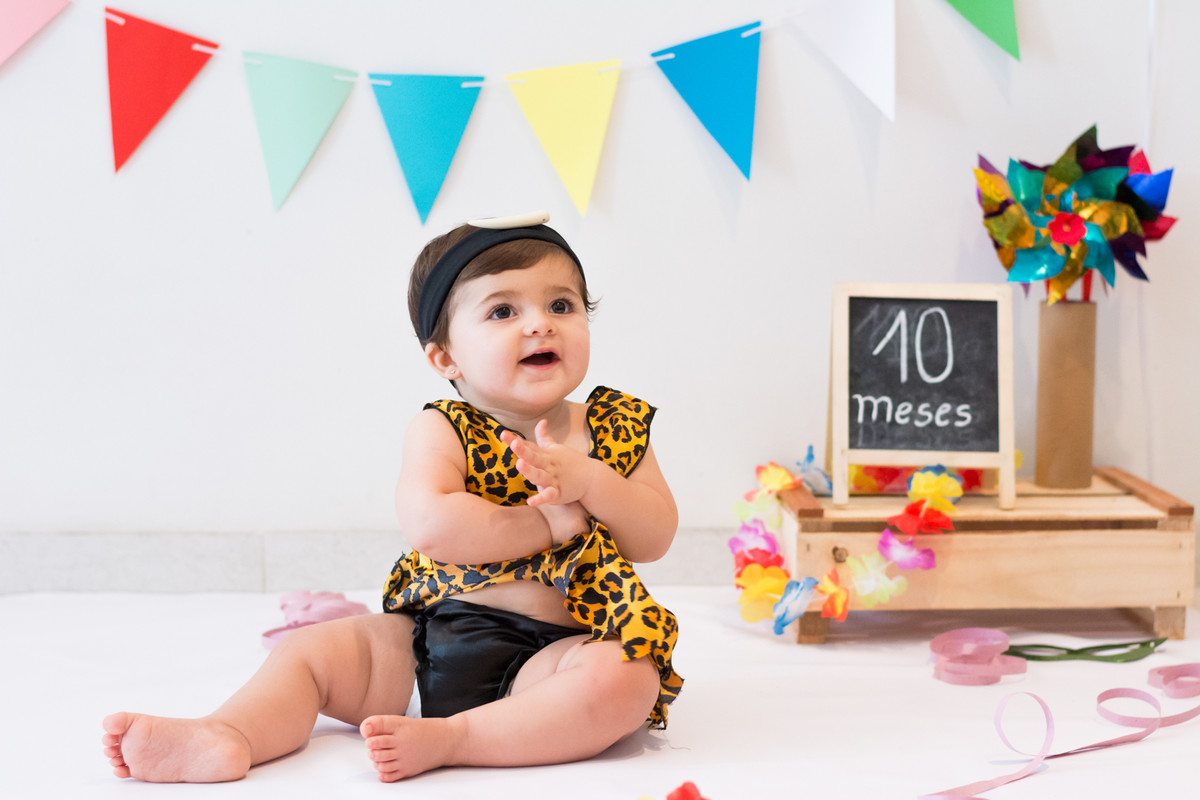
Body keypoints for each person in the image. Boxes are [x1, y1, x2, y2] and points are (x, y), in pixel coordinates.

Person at [101, 213, 682, 783]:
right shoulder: (444, 429)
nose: (540, 325)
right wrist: (550, 525)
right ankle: (229, 733)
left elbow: (654, 536)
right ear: (445, 357)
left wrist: (593, 483)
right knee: (312, 654)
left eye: (561, 305)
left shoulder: (613, 425)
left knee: (625, 679)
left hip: (559, 653)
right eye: (503, 311)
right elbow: (432, 524)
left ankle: (461, 739)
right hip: (430, 635)